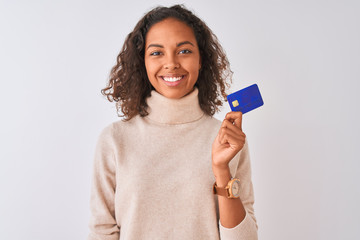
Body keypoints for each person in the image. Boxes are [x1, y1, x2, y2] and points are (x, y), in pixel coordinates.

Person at [88, 5, 258, 240]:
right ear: (142, 62)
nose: (171, 63)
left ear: (201, 60)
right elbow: (101, 232)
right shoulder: (114, 140)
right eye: (157, 53)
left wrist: (221, 170)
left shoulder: (228, 140)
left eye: (184, 51)